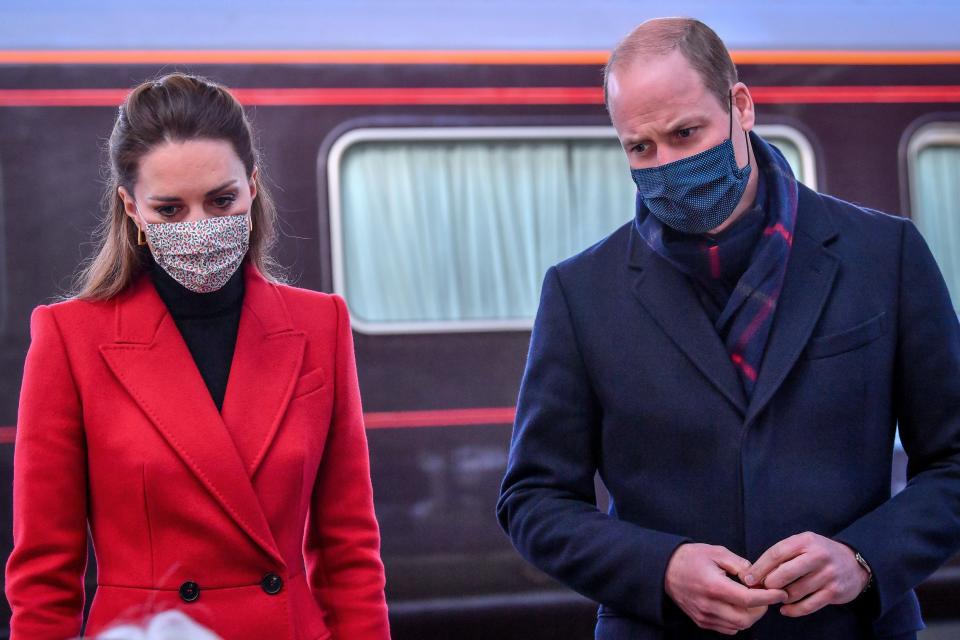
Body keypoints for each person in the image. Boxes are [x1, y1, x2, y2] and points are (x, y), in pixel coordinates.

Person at [497, 17, 960, 640]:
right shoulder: (579, 293)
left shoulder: (886, 254)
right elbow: (532, 500)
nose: (667, 166)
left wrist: (864, 560)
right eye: (641, 147)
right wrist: (661, 569)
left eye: (687, 133)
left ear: (741, 106)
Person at [6, 73, 391, 640]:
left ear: (253, 186)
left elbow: (349, 551)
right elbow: (45, 575)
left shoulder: (319, 325)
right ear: (131, 209)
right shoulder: (71, 338)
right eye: (169, 209)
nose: (201, 229)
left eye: (220, 200)